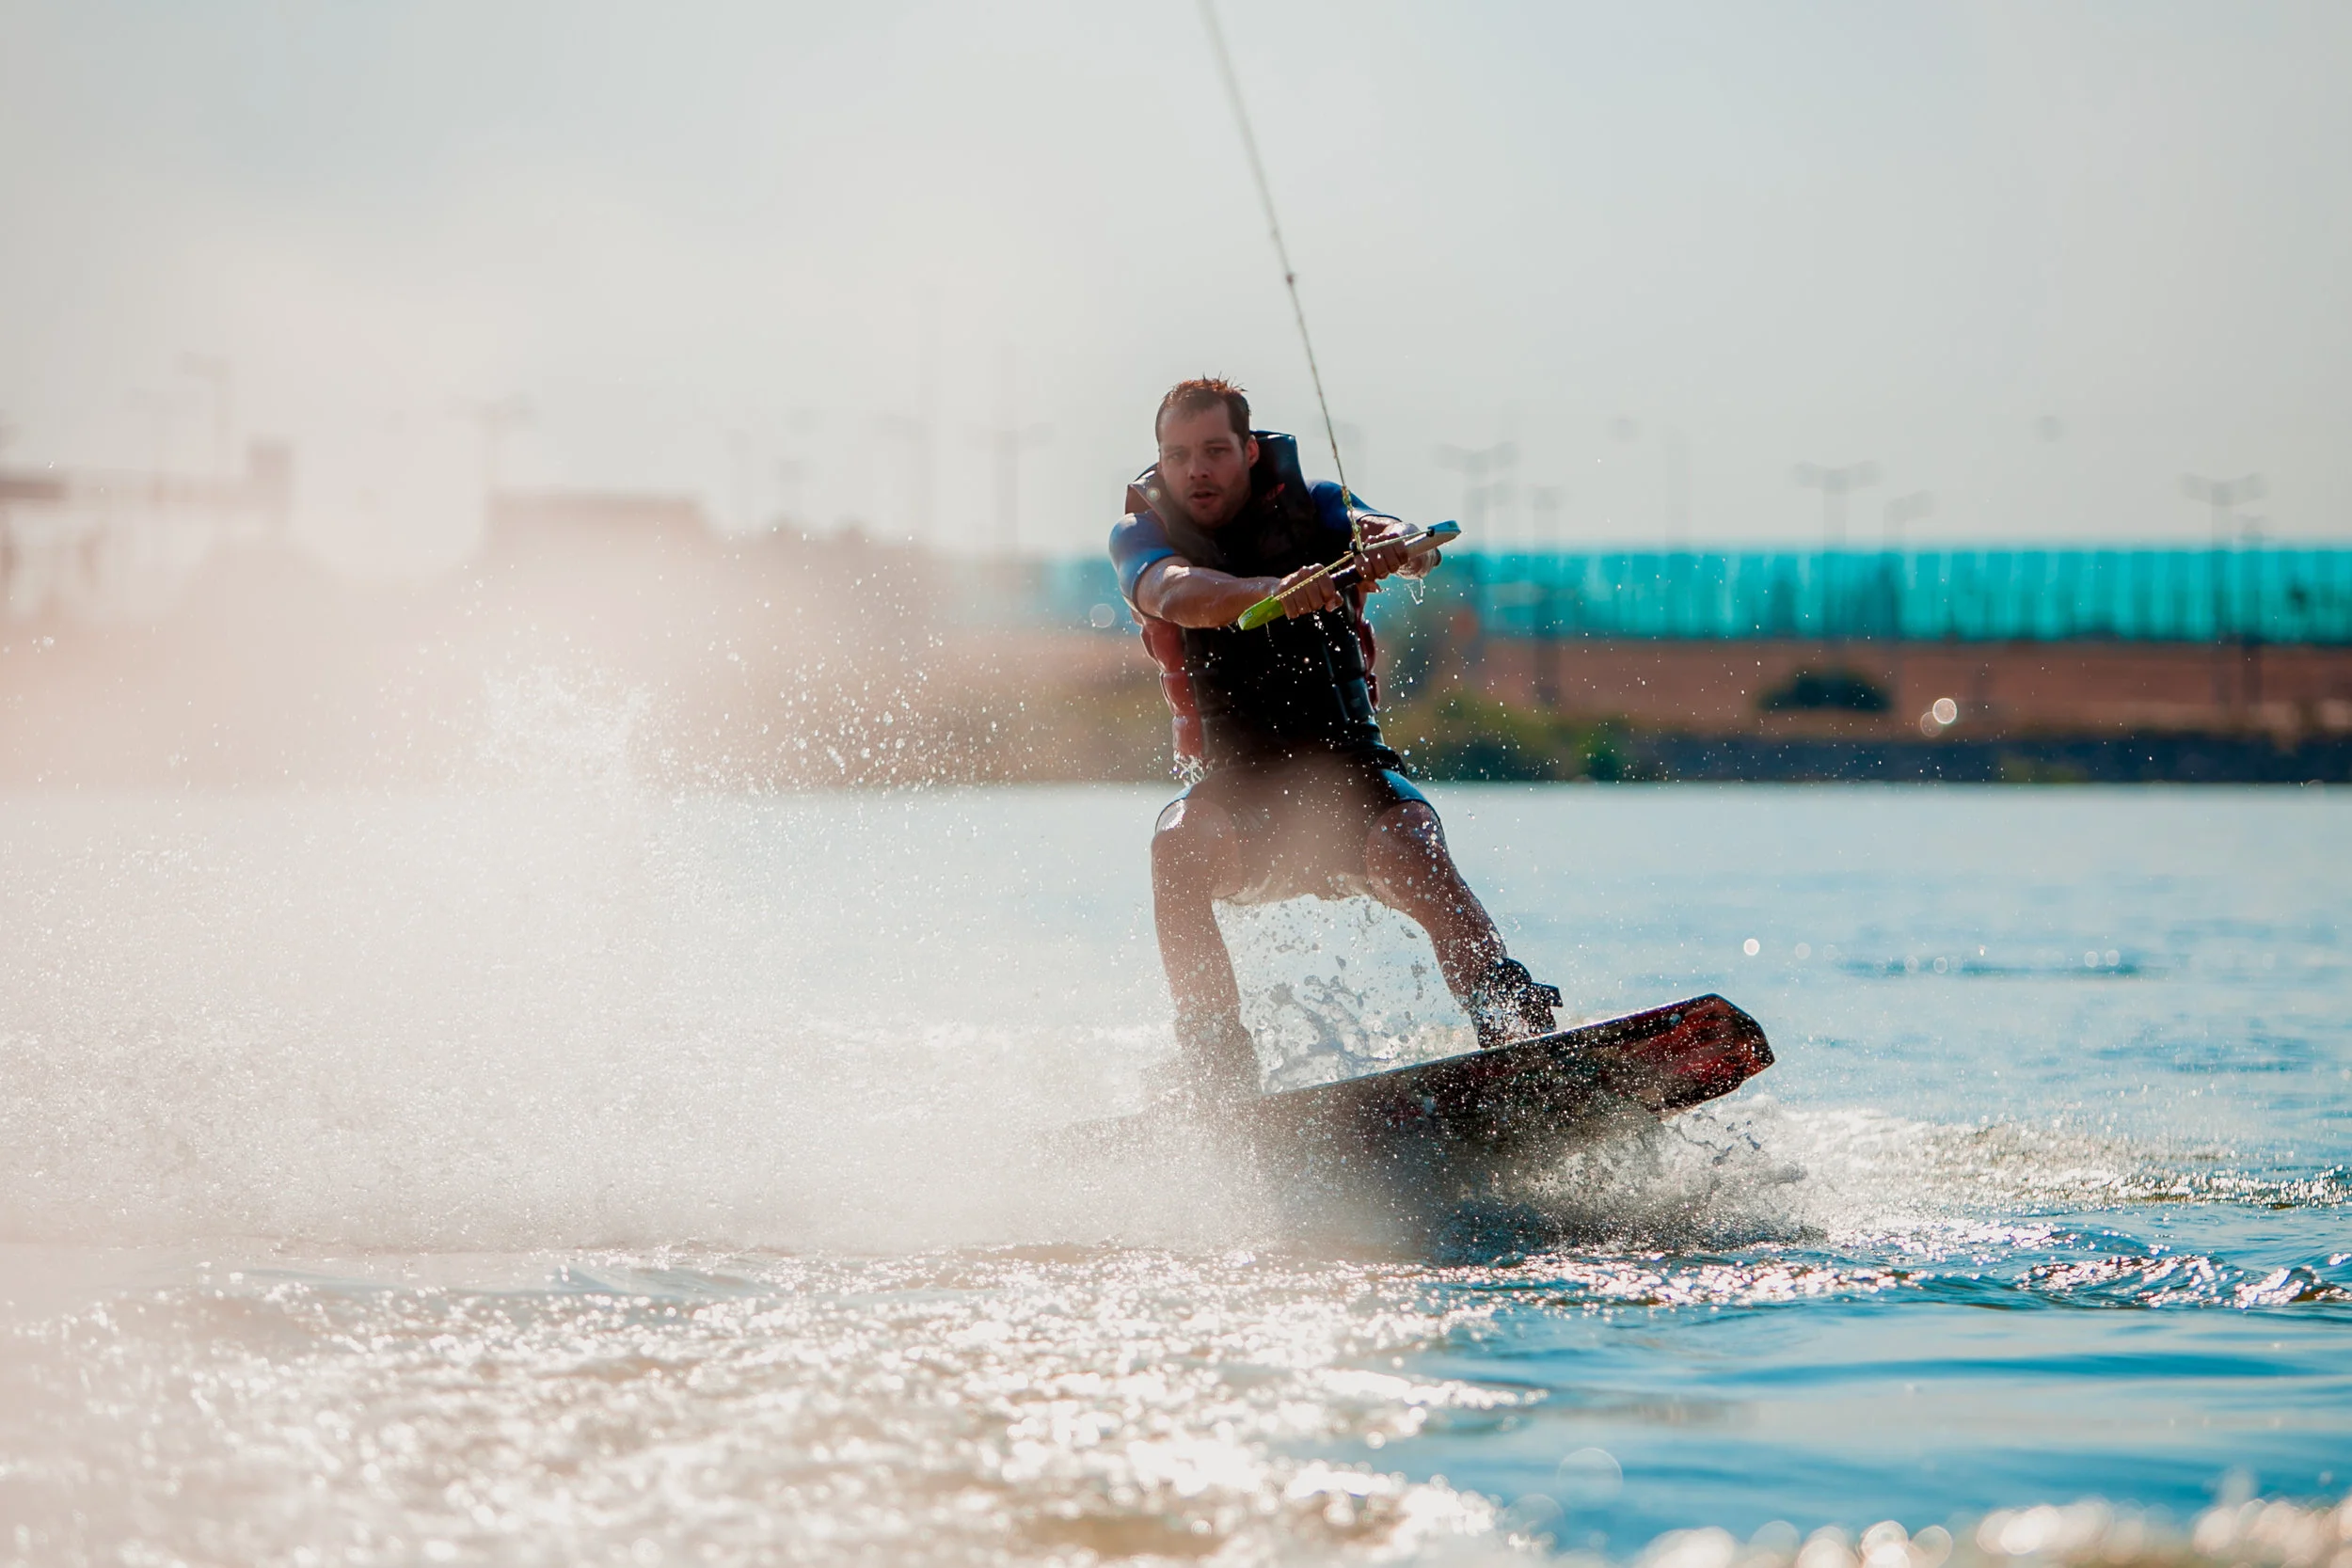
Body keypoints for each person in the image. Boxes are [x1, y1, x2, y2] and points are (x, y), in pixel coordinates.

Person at [1111, 376, 1560, 1103]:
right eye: (1178, 454)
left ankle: (1511, 1025)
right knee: (1175, 846)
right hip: (1240, 797)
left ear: (1250, 452)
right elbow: (1172, 591)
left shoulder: (1317, 506)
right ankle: (1218, 1067)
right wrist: (1271, 592)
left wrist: (1394, 547)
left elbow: (1384, 530)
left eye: (1216, 451)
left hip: (1354, 780)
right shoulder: (1142, 537)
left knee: (1412, 846)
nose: (1196, 469)